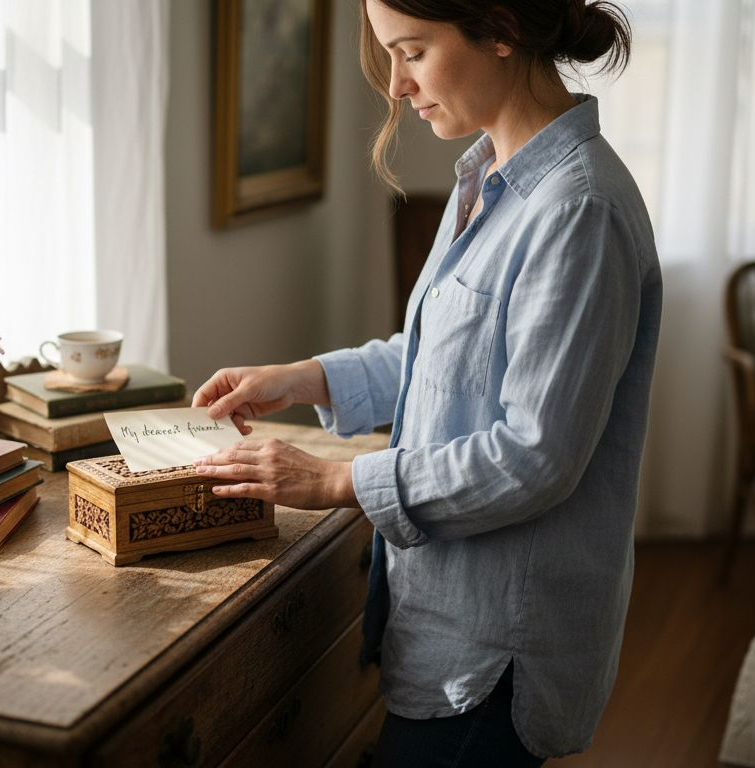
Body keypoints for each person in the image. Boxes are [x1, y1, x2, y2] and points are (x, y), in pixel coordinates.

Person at [191, 0, 661, 764]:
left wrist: (338, 482)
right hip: (443, 624)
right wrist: (299, 378)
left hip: (496, 654)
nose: (398, 87)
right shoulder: (487, 176)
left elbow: (534, 455)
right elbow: (439, 354)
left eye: (411, 52)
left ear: (502, 30)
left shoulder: (578, 209)